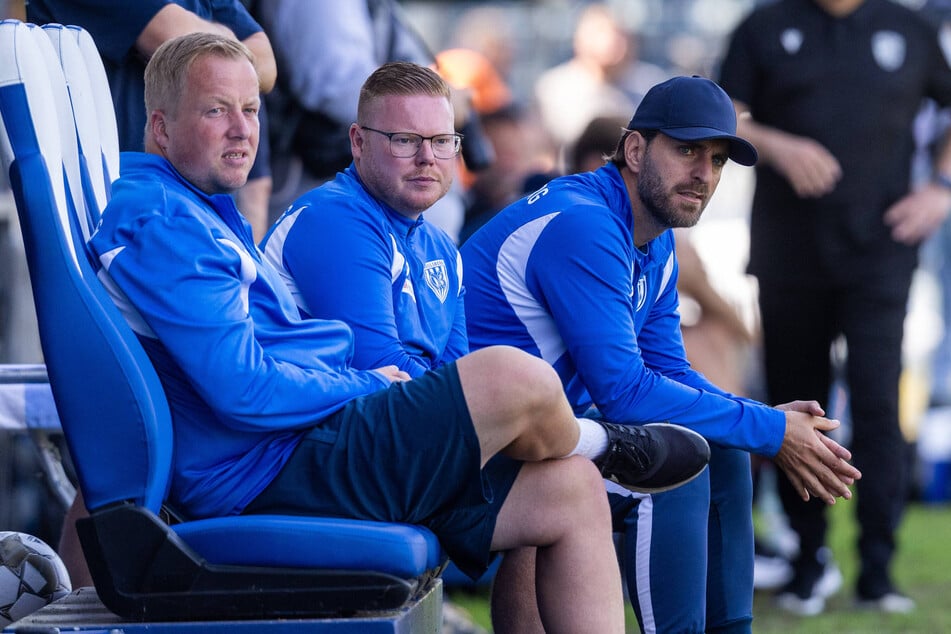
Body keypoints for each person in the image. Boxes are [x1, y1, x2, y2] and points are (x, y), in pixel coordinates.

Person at [87, 33, 712, 632]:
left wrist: (368, 384)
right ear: (161, 127)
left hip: (304, 444)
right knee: (513, 377)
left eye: (250, 109)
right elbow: (243, 392)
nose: (242, 129)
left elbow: (418, 364)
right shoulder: (163, 218)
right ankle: (599, 444)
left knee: (570, 492)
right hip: (267, 467)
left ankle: (581, 453)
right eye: (216, 111)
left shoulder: (205, 213)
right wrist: (362, 382)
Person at [460, 76, 862, 633]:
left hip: (527, 439)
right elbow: (626, 393)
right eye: (688, 150)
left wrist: (764, 424)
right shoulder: (586, 223)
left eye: (718, 159)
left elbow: (669, 371)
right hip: (465, 450)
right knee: (675, 465)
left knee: (717, 448)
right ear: (633, 149)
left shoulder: (653, 234)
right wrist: (768, 428)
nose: (704, 173)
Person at [718, 0, 951, 615]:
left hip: (882, 250)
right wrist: (776, 143)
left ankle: (879, 567)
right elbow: (720, 116)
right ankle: (805, 558)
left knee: (878, 402)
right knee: (798, 404)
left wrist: (941, 189)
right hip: (789, 254)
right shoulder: (764, 25)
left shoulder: (907, 28)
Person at [25, 0, 276, 242]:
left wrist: (214, 40)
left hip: (188, 207)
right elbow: (175, 37)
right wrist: (227, 40)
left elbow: (266, 65)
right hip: (123, 216)